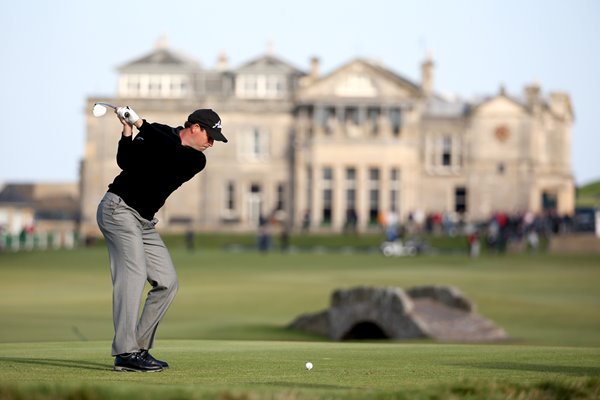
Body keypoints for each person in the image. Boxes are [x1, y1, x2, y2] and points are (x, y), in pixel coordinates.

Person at [96, 106, 228, 372]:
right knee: (132, 275)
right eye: (210, 136)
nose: (212, 143)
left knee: (167, 282)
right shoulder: (158, 133)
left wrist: (142, 123)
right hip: (117, 209)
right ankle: (125, 351)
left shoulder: (195, 160)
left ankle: (139, 348)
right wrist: (127, 130)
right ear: (195, 128)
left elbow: (171, 152)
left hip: (144, 222)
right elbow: (126, 161)